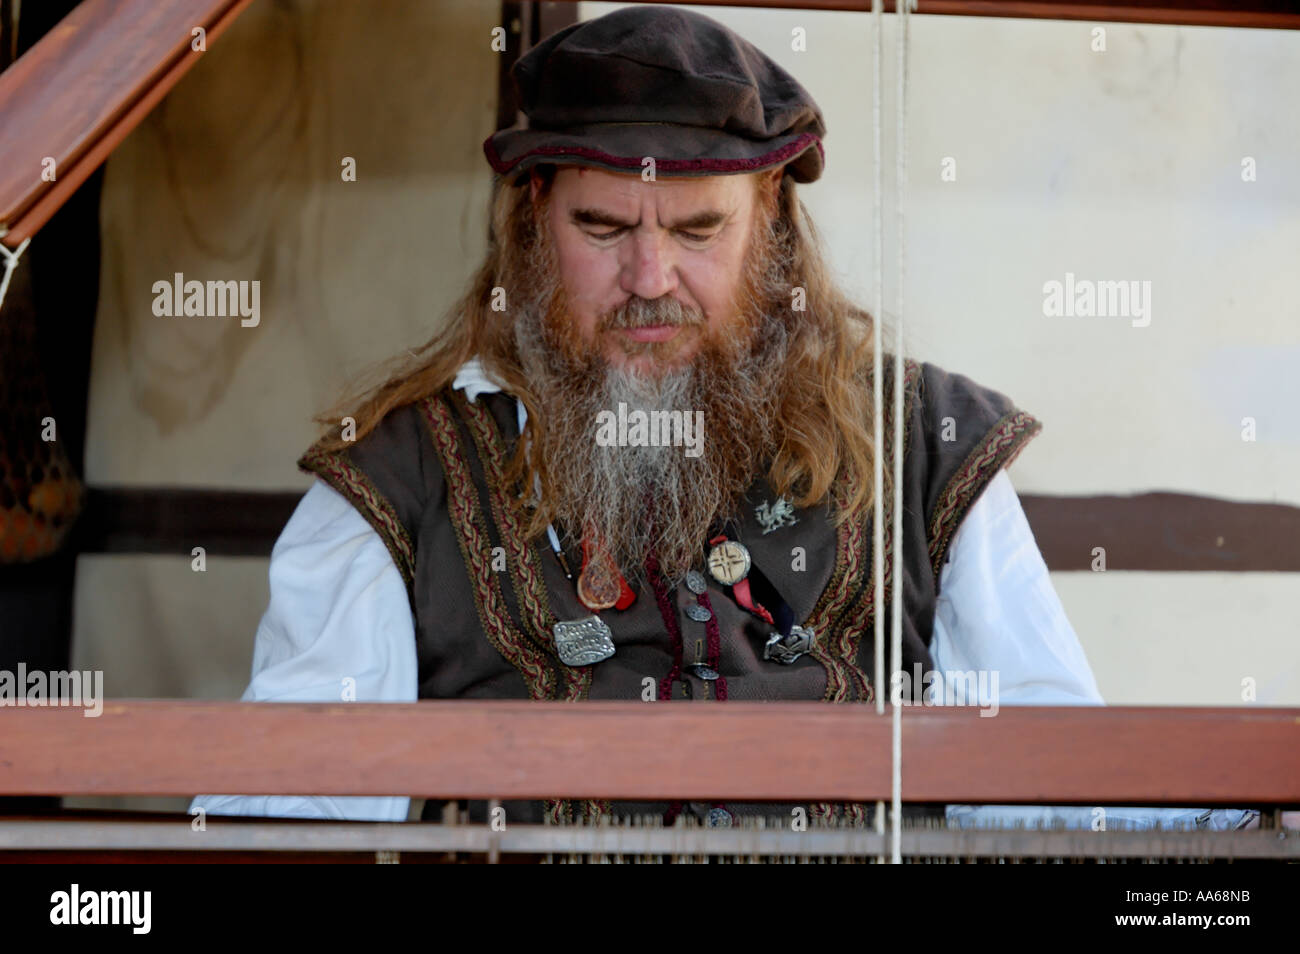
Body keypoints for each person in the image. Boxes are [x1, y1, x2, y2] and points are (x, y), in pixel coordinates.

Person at [192, 5, 1252, 833]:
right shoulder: (400, 478)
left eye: (698, 230)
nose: (649, 278)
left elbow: (1043, 773)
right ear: (531, 228)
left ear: (774, 230)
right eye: (601, 226)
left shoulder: (926, 443)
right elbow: (291, 816)